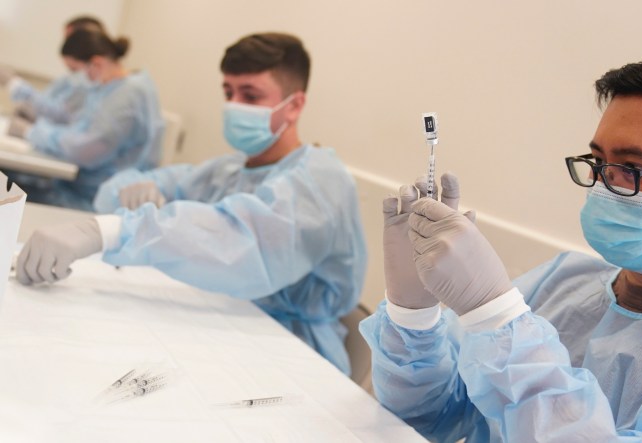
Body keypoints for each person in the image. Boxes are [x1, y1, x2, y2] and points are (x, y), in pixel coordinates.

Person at [361, 50, 642, 442]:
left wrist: (495, 315)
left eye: (630, 169)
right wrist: (413, 315)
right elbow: (432, 418)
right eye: (597, 163)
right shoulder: (563, 281)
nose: (603, 187)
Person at [15, 33, 367, 376]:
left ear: (295, 105)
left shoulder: (320, 179)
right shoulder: (229, 169)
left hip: (294, 354)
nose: (234, 106)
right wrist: (138, 189)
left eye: (250, 95)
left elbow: (236, 241)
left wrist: (108, 230)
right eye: (228, 92)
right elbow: (125, 187)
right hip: (225, 319)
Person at [5, 28, 164, 211]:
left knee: (9, 189)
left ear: (96, 63)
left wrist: (31, 132)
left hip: (96, 199)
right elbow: (78, 127)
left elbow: (86, 149)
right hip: (81, 187)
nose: (73, 78)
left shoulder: (128, 95)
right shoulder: (108, 89)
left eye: (74, 70)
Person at [0, 16, 105, 124]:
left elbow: (61, 115)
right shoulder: (70, 78)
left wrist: (14, 84)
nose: (68, 46)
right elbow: (46, 105)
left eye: (71, 41)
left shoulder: (90, 81)